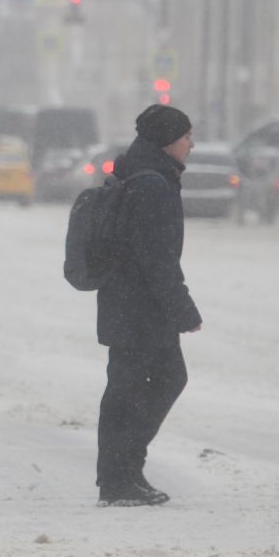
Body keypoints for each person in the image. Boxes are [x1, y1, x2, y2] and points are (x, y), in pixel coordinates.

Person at [95, 104, 203, 506]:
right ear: (167, 140)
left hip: (131, 304)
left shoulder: (142, 172)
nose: (191, 144)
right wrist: (183, 309)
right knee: (141, 386)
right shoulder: (152, 183)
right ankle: (118, 476)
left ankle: (123, 473)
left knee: (139, 386)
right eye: (186, 136)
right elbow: (155, 257)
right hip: (139, 308)